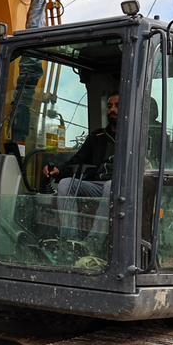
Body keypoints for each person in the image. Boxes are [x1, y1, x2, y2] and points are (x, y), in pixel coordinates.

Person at [45, 93, 120, 238]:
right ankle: (70, 240)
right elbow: (78, 159)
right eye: (110, 106)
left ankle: (93, 243)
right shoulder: (97, 136)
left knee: (111, 186)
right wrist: (58, 170)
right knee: (65, 184)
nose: (112, 110)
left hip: (121, 187)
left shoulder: (136, 136)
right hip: (97, 185)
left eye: (117, 106)